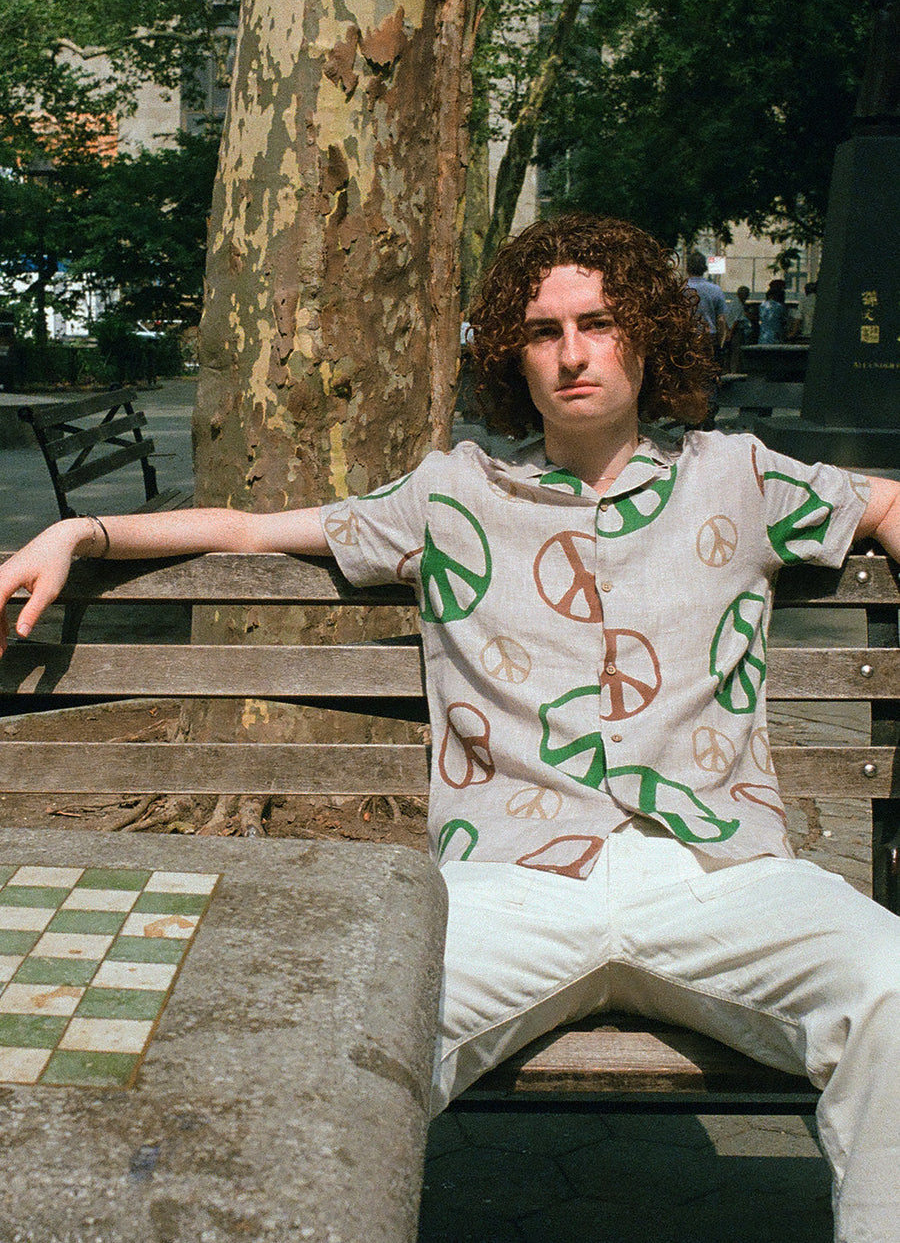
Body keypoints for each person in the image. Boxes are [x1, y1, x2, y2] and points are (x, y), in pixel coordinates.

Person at [2, 214, 900, 1243]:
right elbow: (252, 529)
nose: (570, 353)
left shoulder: (738, 478)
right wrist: (82, 528)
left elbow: (879, 500)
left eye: (598, 323)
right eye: (542, 330)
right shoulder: (453, 495)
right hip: (507, 885)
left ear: (647, 333)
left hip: (720, 874)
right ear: (510, 355)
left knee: (893, 991)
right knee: (319, 1052)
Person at [684, 249, 728, 360]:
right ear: (704, 269)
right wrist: (720, 343)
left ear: (687, 268)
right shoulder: (716, 290)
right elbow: (721, 319)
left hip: (686, 338)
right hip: (709, 338)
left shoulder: (681, 289)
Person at [758, 278, 790, 345]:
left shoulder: (762, 305)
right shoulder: (779, 307)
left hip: (763, 336)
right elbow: (784, 320)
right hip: (776, 336)